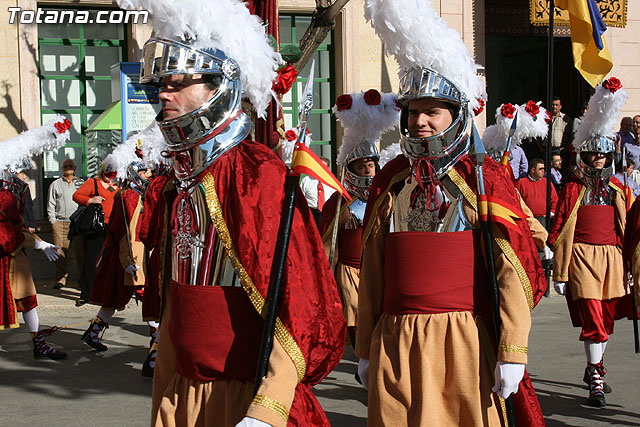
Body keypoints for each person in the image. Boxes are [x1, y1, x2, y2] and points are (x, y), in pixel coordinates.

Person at [117, 1, 346, 426]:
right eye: (161, 83)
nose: (163, 93)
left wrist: (269, 406)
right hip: (181, 386)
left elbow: (299, 298)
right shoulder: (175, 180)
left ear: (217, 85)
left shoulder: (257, 173)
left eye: (179, 82)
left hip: (242, 391)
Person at [358, 1, 547, 425]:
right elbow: (374, 268)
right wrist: (365, 345)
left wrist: (512, 350)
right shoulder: (392, 178)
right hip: (394, 338)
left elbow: (510, 270)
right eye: (413, 111)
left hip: (463, 342)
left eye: (432, 111)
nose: (420, 121)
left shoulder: (484, 177)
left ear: (456, 115)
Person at [549, 77, 633, 408]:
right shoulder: (572, 186)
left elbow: (626, 227)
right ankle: (597, 376)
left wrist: (630, 264)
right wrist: (558, 267)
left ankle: (593, 366)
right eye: (593, 153)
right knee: (594, 317)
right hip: (582, 256)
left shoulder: (617, 188)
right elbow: (561, 223)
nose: (598, 158)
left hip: (612, 257)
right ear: (584, 154)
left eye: (603, 154)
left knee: (607, 318)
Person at [319, 89, 399, 350]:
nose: (366, 170)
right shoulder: (339, 203)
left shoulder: (387, 198)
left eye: (370, 166)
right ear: (350, 169)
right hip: (349, 274)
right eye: (361, 166)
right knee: (355, 324)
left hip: (376, 271)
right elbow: (326, 242)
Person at [0, 115, 71, 360]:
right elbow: (8, 234)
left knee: (28, 299)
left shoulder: (9, 194)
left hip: (14, 258)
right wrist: (39, 244)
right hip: (6, 258)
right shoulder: (4, 197)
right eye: (20, 173)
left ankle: (38, 343)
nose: (24, 177)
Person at [72, 161, 119, 306]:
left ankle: (108, 293)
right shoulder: (93, 182)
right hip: (96, 226)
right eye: (107, 175)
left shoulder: (119, 184)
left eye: (112, 176)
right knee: (91, 260)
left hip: (114, 226)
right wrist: (91, 200)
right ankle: (87, 294)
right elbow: (77, 195)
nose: (109, 179)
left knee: (111, 261)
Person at [47, 158, 84, 290]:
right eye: (65, 166)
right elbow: (51, 204)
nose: (68, 168)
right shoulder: (55, 184)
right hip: (60, 223)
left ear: (75, 168)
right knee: (59, 253)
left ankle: (82, 281)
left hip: (77, 224)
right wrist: (53, 221)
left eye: (70, 166)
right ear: (62, 169)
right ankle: (60, 279)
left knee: (81, 254)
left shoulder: (81, 183)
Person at [299, 156, 336, 227]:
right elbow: (301, 199)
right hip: (311, 214)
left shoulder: (333, 182)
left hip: (327, 213)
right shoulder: (306, 180)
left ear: (328, 168)